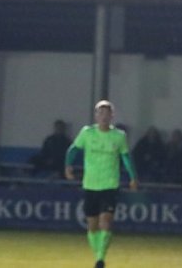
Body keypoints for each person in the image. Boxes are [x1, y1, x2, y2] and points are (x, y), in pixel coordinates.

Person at [65, 100, 138, 268]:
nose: (104, 117)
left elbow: (126, 157)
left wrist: (133, 177)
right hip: (90, 185)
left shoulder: (119, 136)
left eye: (107, 113)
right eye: (101, 113)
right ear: (96, 116)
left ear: (112, 116)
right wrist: (68, 166)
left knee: (106, 221)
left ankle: (100, 258)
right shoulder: (87, 133)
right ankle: (98, 253)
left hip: (110, 185)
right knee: (92, 226)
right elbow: (73, 150)